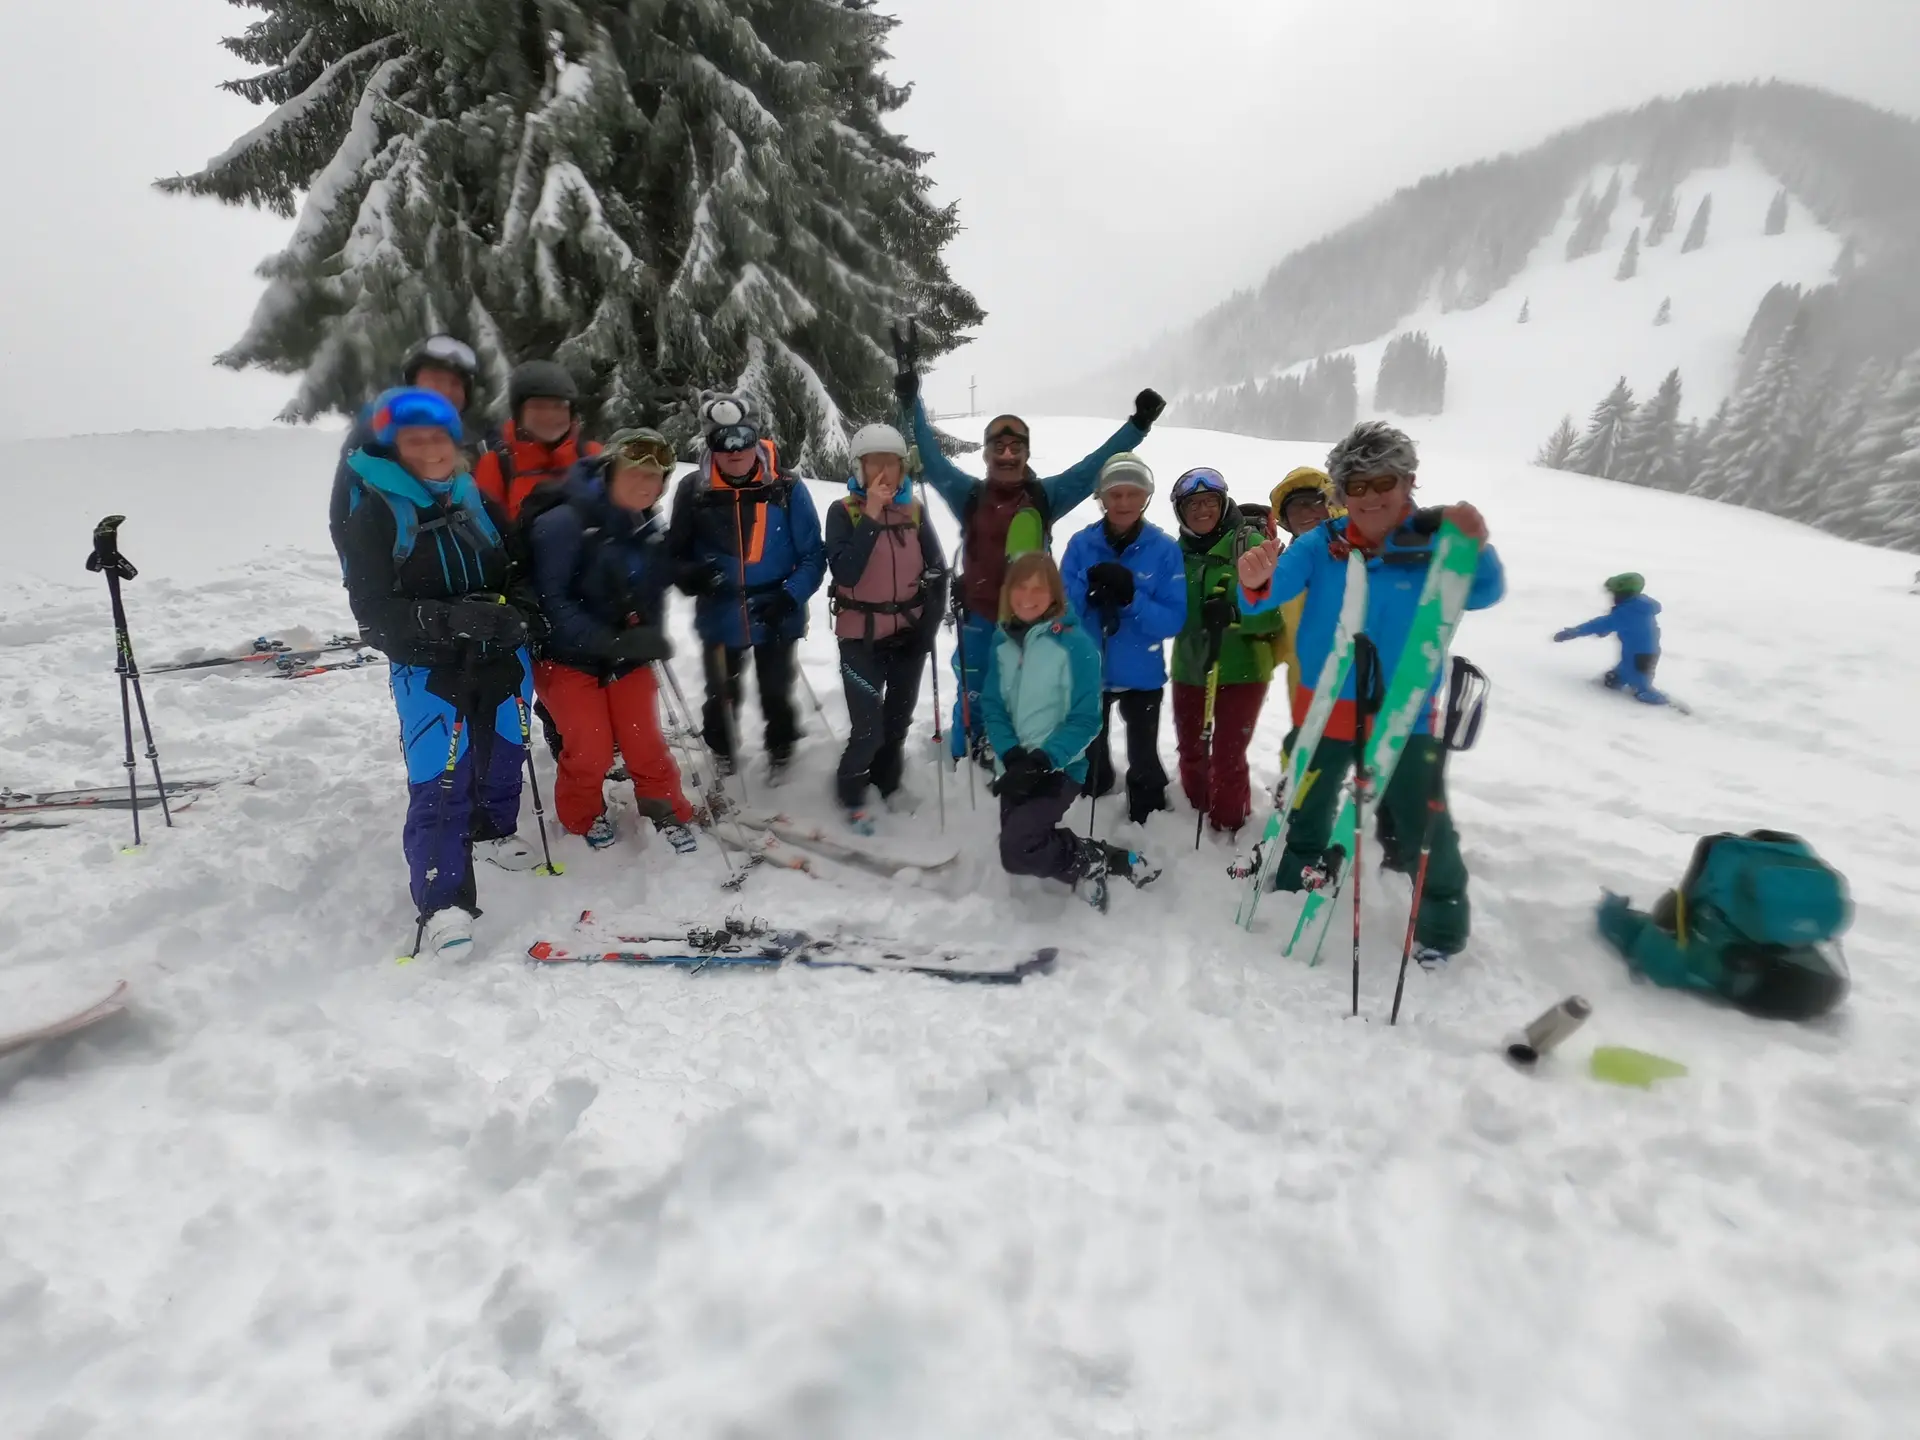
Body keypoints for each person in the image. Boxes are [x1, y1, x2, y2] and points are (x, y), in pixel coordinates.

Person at [1235, 422, 1504, 968]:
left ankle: (1442, 929)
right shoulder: (1322, 544)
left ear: (1407, 482)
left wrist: (1477, 547)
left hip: (1405, 711)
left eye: (1382, 481)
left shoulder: (1435, 541)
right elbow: (1267, 595)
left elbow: (1484, 591)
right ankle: (1292, 883)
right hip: (1325, 702)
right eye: (1355, 486)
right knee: (1308, 804)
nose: (1370, 497)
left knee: (1426, 822)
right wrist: (1255, 576)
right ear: (1341, 493)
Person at [337, 388, 542, 960]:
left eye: (439, 436)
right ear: (394, 445)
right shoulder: (374, 511)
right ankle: (442, 900)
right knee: (439, 776)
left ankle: (496, 829)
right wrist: (444, 619)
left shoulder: (476, 495)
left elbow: (523, 566)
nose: (430, 447)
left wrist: (517, 614)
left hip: (500, 650)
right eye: (414, 438)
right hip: (427, 663)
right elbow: (373, 615)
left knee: (505, 747)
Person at [893, 354, 1164, 767]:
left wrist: (1137, 426)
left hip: (1033, 622)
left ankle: (1019, 753)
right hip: (982, 616)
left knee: (1025, 693)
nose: (1006, 454)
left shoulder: (1043, 496)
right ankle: (963, 755)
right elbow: (930, 457)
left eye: (1015, 447)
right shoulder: (967, 493)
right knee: (975, 690)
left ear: (1026, 453)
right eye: (998, 447)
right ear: (987, 454)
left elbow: (1093, 466)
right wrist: (911, 402)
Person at [526, 428, 699, 854]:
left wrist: (653, 629)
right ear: (609, 469)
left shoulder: (645, 522)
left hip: (626, 659)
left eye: (657, 476)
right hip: (566, 660)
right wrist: (615, 641)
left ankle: (666, 810)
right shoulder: (562, 523)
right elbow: (552, 604)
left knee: (646, 745)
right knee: (591, 751)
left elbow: (650, 587)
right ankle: (582, 815)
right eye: (635, 471)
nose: (646, 484)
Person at [981, 553, 1159, 909]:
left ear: (1055, 595)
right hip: (1015, 767)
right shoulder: (1001, 643)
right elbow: (993, 706)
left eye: (1039, 588)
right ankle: (1101, 855)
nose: (1028, 597)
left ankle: (1089, 862)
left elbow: (1086, 719)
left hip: (1060, 769)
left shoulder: (1077, 647)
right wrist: (1012, 755)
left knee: (1017, 850)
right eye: (1021, 586)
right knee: (1024, 843)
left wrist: (1042, 760)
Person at [669, 393, 826, 783]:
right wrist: (695, 576)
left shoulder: (786, 486)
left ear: (756, 437)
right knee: (722, 690)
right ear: (709, 444)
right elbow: (674, 554)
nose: (734, 449)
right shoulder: (694, 490)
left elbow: (812, 555)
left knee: (776, 688)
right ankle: (722, 749)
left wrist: (789, 597)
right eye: (722, 440)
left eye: (742, 437)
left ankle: (782, 745)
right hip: (720, 610)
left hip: (776, 605)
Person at [825, 423, 948, 832]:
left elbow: (937, 570)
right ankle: (851, 790)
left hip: (908, 635)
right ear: (858, 468)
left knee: (896, 723)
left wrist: (927, 629)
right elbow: (846, 571)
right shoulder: (843, 513)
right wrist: (873, 515)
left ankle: (887, 781)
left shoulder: (915, 511)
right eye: (873, 463)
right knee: (867, 728)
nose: (883, 472)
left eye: (891, 464)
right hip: (860, 637)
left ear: (902, 469)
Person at [1060, 454, 1187, 827]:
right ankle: (1093, 786)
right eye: (1115, 494)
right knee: (1090, 749)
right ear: (1102, 498)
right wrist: (1088, 588)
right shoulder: (1081, 544)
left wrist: (1131, 598)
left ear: (1146, 496)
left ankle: (1147, 810)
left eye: (1133, 494)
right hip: (1089, 669)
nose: (1124, 503)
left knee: (1143, 753)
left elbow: (1172, 620)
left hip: (1141, 673)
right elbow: (1061, 606)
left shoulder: (1164, 549)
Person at [1167, 467, 1284, 836]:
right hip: (1189, 666)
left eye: (1209, 502)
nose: (1202, 510)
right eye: (1193, 504)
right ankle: (1195, 811)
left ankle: (1229, 823)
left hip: (1243, 670)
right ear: (1180, 511)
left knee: (1228, 756)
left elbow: (1274, 620)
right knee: (1190, 749)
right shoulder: (1173, 556)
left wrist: (1238, 615)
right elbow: (1167, 616)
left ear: (1223, 503)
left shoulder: (1248, 547)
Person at [330, 334, 482, 577]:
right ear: (411, 384)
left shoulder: (475, 440)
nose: (445, 391)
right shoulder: (375, 435)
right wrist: (361, 580)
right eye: (434, 380)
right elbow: (344, 514)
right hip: (402, 591)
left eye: (455, 383)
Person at [473, 361, 600, 524]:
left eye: (559, 406)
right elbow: (486, 530)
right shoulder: (497, 464)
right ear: (519, 413)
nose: (550, 416)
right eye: (538, 406)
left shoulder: (591, 454)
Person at [1268, 467, 1343, 734]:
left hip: (1361, 691)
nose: (1304, 513)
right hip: (1305, 692)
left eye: (1313, 503)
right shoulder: (1284, 570)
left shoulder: (1360, 553)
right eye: (1294, 508)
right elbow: (1276, 639)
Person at [1555, 573, 1669, 705]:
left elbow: (1600, 624)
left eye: (1614, 593)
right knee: (1620, 673)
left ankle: (1661, 702)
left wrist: (1573, 632)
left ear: (1623, 594)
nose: (1612, 597)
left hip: (1642, 656)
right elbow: (1616, 623)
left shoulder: (1629, 612)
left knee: (1641, 686)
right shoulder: (1635, 606)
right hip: (1633, 653)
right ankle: (1619, 678)